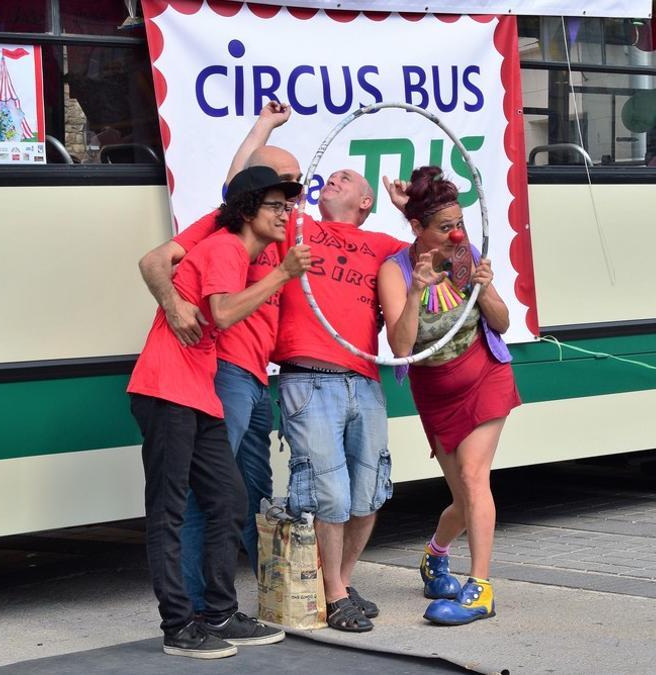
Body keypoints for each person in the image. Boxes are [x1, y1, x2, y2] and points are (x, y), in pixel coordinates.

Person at [128, 166, 310, 659]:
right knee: (168, 511)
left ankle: (220, 612)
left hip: (198, 392)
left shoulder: (240, 249)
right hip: (165, 389)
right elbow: (223, 313)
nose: (284, 213)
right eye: (275, 205)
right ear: (248, 210)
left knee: (228, 500)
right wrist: (283, 274)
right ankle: (178, 627)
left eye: (287, 204)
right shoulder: (227, 247)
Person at [377, 166, 521, 626]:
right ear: (418, 228)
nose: (458, 232)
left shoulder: (462, 254)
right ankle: (437, 553)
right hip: (436, 394)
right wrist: (418, 291)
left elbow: (501, 323)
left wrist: (481, 287)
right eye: (445, 226)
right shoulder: (395, 271)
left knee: (476, 480)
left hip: (485, 377)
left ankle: (479, 590)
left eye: (459, 222)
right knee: (463, 497)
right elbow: (401, 348)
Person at [273, 165, 409, 632]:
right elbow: (238, 191)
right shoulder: (298, 227)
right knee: (327, 491)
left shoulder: (384, 248)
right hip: (308, 379)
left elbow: (446, 253)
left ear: (365, 201)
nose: (332, 180)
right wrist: (265, 126)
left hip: (364, 381)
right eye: (329, 176)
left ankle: (341, 583)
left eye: (345, 178)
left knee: (369, 490)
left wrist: (412, 214)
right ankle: (332, 594)